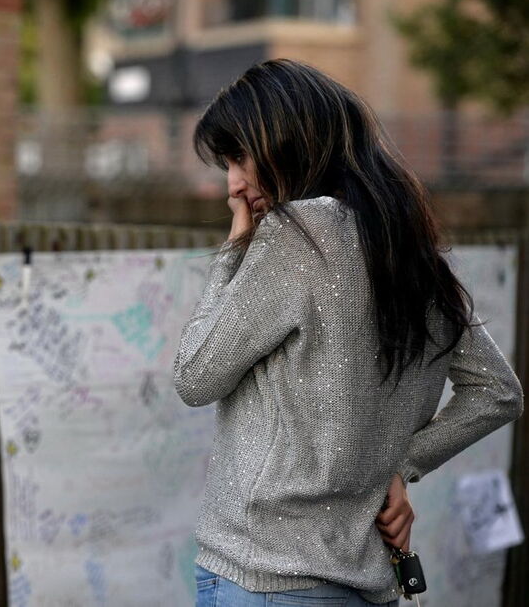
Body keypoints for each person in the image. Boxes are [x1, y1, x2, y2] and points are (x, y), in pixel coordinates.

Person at [172, 58, 524, 607]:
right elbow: (497, 392)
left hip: (262, 576)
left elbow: (194, 376)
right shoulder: (411, 249)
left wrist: (234, 248)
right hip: (365, 584)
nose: (233, 185)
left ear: (289, 141)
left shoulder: (298, 235)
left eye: (239, 157)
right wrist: (400, 468)